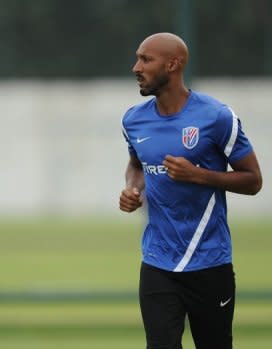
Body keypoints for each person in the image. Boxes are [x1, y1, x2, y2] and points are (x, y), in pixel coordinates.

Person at [119, 32, 262, 349]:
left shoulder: (217, 117)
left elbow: (253, 180)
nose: (136, 67)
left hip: (210, 263)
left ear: (173, 64)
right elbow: (137, 165)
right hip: (157, 263)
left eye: (145, 59)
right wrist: (131, 189)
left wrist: (197, 175)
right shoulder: (133, 120)